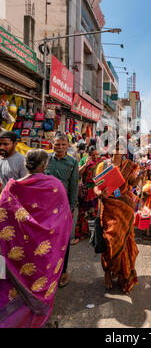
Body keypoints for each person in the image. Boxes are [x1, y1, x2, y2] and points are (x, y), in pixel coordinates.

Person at [0, 149, 72, 328]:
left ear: (25, 164)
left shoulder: (10, 188)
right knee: (39, 280)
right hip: (43, 252)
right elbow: (64, 217)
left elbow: (2, 214)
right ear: (45, 165)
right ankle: (36, 320)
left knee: (14, 287)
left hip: (18, 252)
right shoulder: (54, 185)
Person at [94, 145, 139, 294]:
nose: (118, 151)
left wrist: (141, 175)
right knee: (109, 241)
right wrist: (100, 194)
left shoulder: (128, 166)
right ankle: (107, 272)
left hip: (124, 209)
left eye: (121, 148)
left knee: (125, 242)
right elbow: (96, 187)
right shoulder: (103, 165)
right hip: (108, 208)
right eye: (115, 147)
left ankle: (122, 274)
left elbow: (133, 182)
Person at [45, 133, 79, 287]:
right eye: (57, 144)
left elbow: (74, 186)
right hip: (45, 208)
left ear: (67, 146)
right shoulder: (45, 160)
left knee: (63, 240)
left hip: (63, 208)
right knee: (46, 240)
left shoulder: (72, 162)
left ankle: (63, 271)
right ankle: (48, 271)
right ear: (52, 144)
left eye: (63, 145)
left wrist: (72, 207)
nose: (59, 147)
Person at [71, 146, 102, 245]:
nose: (94, 157)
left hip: (96, 190)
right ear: (88, 154)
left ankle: (93, 233)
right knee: (82, 213)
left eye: (96, 154)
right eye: (92, 155)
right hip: (86, 191)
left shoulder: (100, 161)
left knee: (95, 213)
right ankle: (80, 235)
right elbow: (78, 173)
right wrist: (85, 164)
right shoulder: (84, 160)